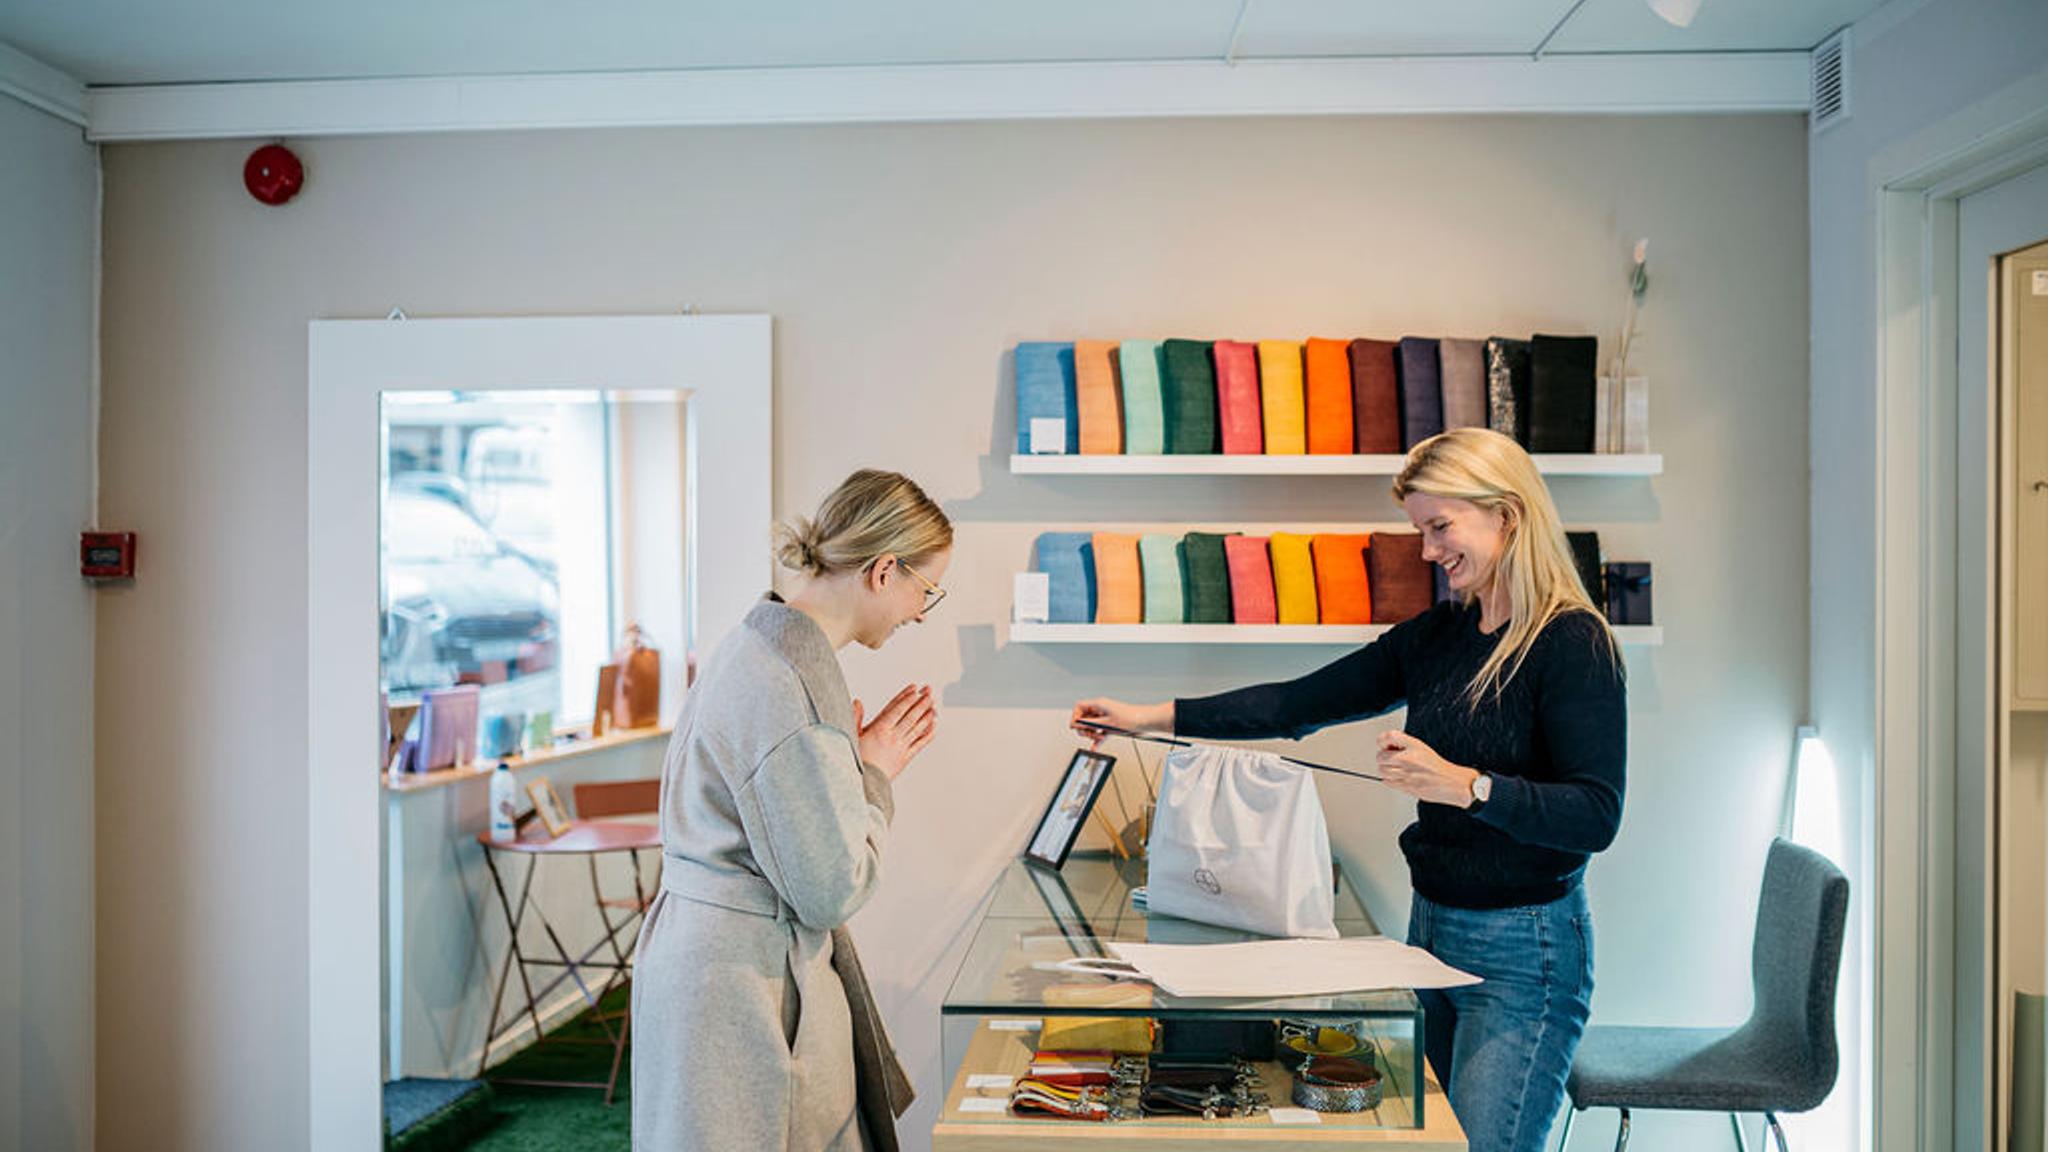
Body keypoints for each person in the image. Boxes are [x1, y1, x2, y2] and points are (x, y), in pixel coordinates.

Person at [1073, 427, 1625, 1152]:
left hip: (1528, 956)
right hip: (1432, 931)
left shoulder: (1573, 643)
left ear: (1506, 514)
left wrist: (1466, 786)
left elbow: (1595, 815)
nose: (1428, 550)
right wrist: (1150, 718)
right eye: (1421, 530)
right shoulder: (1442, 635)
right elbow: (1295, 705)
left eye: (1439, 527)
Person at [633, 469, 950, 1151]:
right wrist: (874, 776)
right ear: (884, 570)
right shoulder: (789, 684)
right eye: (926, 590)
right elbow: (829, 886)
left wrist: (852, 767)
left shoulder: (757, 645)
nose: (921, 611)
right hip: (741, 990)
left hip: (705, 967)